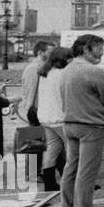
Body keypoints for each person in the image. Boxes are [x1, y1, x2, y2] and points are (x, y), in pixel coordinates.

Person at [60, 35, 104, 207]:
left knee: (71, 169)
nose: (102, 52)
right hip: (91, 126)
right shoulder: (94, 71)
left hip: (70, 123)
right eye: (99, 48)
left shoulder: (67, 69)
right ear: (87, 49)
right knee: (87, 173)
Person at [36, 46, 72, 191]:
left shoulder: (45, 73)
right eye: (69, 58)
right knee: (72, 150)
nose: (72, 60)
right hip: (60, 117)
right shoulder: (63, 74)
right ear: (62, 59)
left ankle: (49, 183)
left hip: (45, 116)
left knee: (52, 149)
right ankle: (72, 182)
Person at [18, 41, 55, 127]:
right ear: (40, 53)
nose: (53, 55)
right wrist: (30, 112)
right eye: (51, 52)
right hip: (36, 111)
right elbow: (30, 91)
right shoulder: (33, 68)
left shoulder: (42, 67)